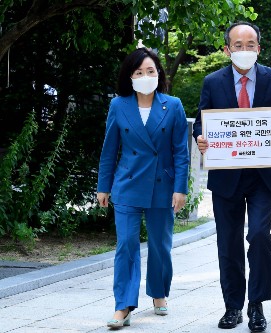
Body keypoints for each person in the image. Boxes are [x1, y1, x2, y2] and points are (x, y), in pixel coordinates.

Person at [193, 21, 271, 333]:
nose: (244, 50)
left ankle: (257, 304)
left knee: (259, 237)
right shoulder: (213, 82)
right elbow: (201, 121)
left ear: (259, 49)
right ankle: (232, 306)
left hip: (264, 175)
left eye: (250, 44)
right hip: (226, 176)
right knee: (228, 243)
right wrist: (201, 138)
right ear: (227, 50)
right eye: (237, 45)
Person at [97, 47, 189, 328]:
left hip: (163, 186)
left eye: (151, 71)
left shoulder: (172, 105)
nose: (146, 76)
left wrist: (180, 188)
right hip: (127, 185)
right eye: (139, 72)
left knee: (161, 245)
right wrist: (103, 186)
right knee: (126, 245)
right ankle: (122, 305)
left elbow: (180, 152)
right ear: (130, 76)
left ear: (158, 74)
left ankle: (159, 293)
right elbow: (109, 150)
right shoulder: (118, 105)